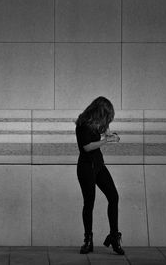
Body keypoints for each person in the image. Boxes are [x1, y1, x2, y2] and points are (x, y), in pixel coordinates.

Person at [75, 96, 124, 255]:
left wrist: (111, 134)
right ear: (99, 112)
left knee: (113, 197)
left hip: (99, 166)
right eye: (106, 116)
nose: (106, 121)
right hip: (86, 168)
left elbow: (106, 131)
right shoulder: (82, 124)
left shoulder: (98, 124)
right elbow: (87, 147)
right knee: (89, 203)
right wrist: (106, 141)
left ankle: (114, 237)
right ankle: (88, 241)